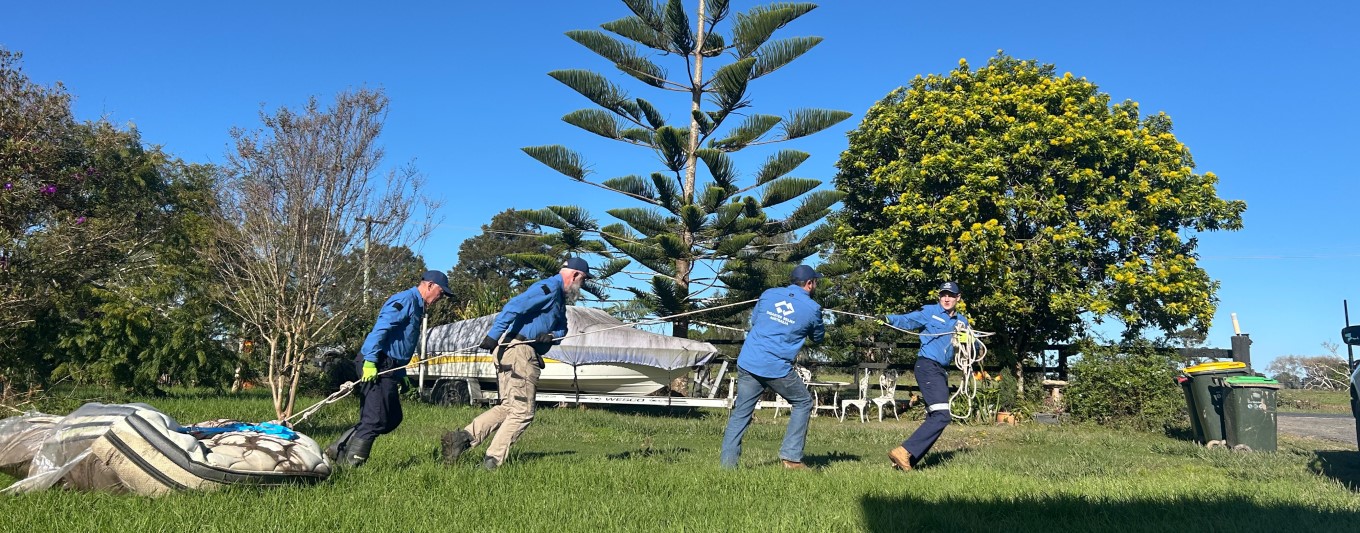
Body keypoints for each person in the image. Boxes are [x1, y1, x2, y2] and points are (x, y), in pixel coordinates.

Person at [440, 257, 591, 470]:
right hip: (519, 351)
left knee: (509, 407)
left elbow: (562, 327)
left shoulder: (559, 297)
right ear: (575, 275)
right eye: (583, 279)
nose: (582, 284)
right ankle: (492, 462)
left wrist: (550, 335)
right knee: (523, 412)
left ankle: (462, 439)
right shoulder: (548, 288)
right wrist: (493, 336)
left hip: (514, 351)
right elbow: (514, 306)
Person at [325, 270, 453, 466]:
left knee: (392, 418)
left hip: (391, 366)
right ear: (430, 285)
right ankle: (351, 466)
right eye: (441, 293)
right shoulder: (405, 300)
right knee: (374, 419)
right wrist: (370, 361)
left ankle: (338, 447)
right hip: (377, 363)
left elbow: (400, 343)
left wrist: (401, 373)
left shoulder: (417, 306)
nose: (441, 298)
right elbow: (381, 329)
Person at [719, 264, 826, 469]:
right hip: (776, 368)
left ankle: (727, 466)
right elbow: (818, 337)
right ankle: (791, 458)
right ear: (809, 283)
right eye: (815, 282)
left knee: (741, 413)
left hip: (749, 361)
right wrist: (816, 317)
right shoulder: (813, 309)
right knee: (803, 402)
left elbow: (755, 321)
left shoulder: (768, 294)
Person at [884, 281, 976, 471]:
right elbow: (908, 320)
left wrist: (968, 340)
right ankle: (904, 451)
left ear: (958, 298)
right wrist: (888, 319)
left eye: (951, 295)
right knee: (942, 416)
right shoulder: (929, 312)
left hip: (941, 371)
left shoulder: (962, 322)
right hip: (927, 366)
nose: (946, 299)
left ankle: (906, 461)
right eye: (943, 295)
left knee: (936, 416)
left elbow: (974, 348)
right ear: (939, 296)